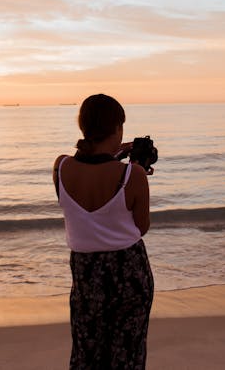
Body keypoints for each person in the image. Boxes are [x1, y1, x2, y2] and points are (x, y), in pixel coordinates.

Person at [53, 93, 153, 369]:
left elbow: (86, 160)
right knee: (126, 354)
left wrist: (117, 151)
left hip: (85, 273)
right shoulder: (132, 176)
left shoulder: (61, 167)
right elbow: (141, 227)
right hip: (128, 270)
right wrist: (135, 165)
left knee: (87, 351)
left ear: (83, 127)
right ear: (118, 128)